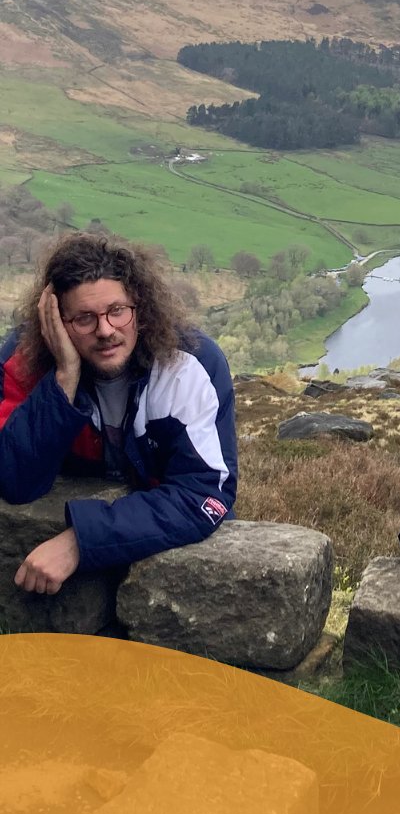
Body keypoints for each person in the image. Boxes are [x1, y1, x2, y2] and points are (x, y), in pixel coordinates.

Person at [0, 232, 237, 593]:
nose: (105, 330)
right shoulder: (25, 359)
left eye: (117, 311)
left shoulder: (190, 364)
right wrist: (63, 378)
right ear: (55, 321)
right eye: (83, 319)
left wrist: (81, 540)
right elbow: (14, 479)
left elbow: (205, 494)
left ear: (139, 308)